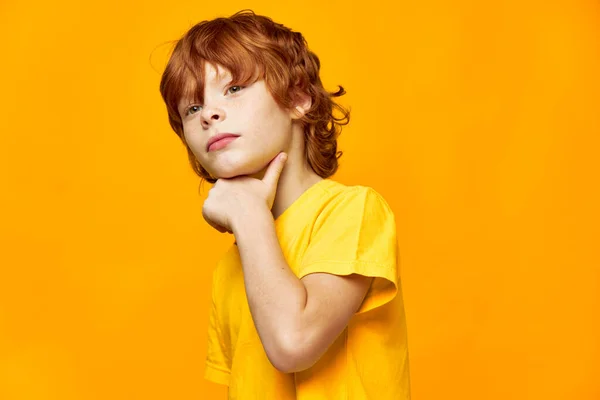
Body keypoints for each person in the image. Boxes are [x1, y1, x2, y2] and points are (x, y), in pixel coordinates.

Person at [159, 9, 411, 399]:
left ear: (297, 99)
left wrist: (247, 213)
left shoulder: (352, 210)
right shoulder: (230, 267)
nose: (208, 113)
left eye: (234, 88)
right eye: (191, 109)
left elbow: (293, 343)